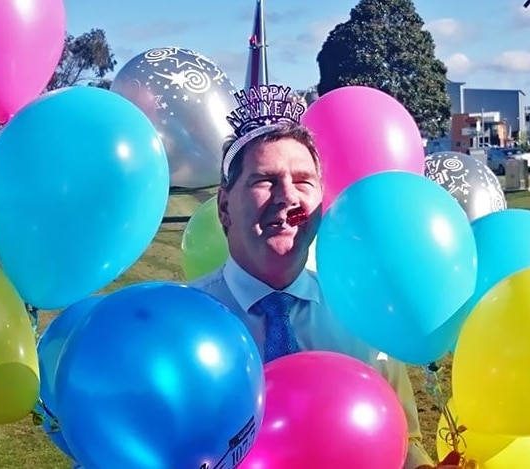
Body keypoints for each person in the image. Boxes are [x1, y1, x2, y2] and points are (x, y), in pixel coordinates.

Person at [189, 85, 465, 469]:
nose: (287, 197)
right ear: (224, 205)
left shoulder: (366, 321)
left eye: (303, 181)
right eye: (264, 180)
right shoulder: (184, 327)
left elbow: (403, 445)